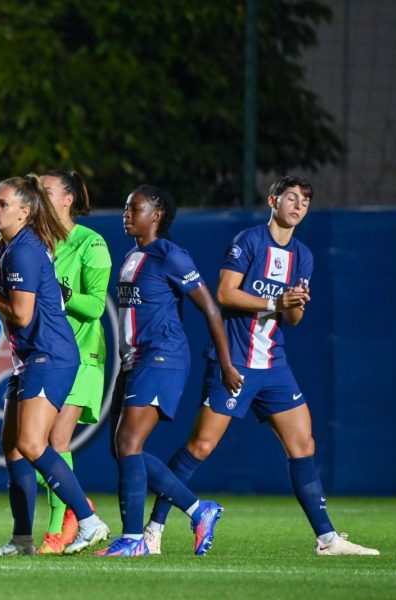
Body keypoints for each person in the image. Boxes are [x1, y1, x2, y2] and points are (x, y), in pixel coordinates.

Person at [143, 176, 379, 556]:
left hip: (274, 365)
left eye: (305, 200)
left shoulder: (303, 255)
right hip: (235, 361)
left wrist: (295, 303)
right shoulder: (249, 241)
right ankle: (152, 530)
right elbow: (224, 294)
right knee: (200, 447)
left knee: (304, 443)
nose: (299, 205)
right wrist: (277, 303)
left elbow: (294, 318)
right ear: (273, 200)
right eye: (291, 197)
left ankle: (327, 539)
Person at [0, 175, 104, 556]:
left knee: (32, 443)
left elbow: (21, 315)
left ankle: (88, 519)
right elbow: (14, 318)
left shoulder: (23, 250)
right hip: (30, 358)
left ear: (25, 210)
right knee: (13, 448)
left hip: (50, 355)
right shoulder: (7, 246)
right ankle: (22, 540)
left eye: (3, 203)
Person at [98, 184, 243, 557]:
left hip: (162, 358)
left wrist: (226, 364)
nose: (126, 214)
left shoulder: (171, 255)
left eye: (135, 208)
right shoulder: (133, 255)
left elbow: (210, 308)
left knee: (129, 445)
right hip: (133, 361)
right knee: (123, 450)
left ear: (157, 214)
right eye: (126, 208)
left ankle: (134, 540)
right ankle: (198, 509)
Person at [36, 170, 112, 554]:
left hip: (83, 355)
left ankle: (57, 530)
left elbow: (96, 305)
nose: (40, 197)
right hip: (45, 355)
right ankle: (75, 506)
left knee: (54, 439)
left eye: (47, 191)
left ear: (67, 200)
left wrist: (62, 295)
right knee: (29, 445)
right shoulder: (37, 242)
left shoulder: (91, 243)